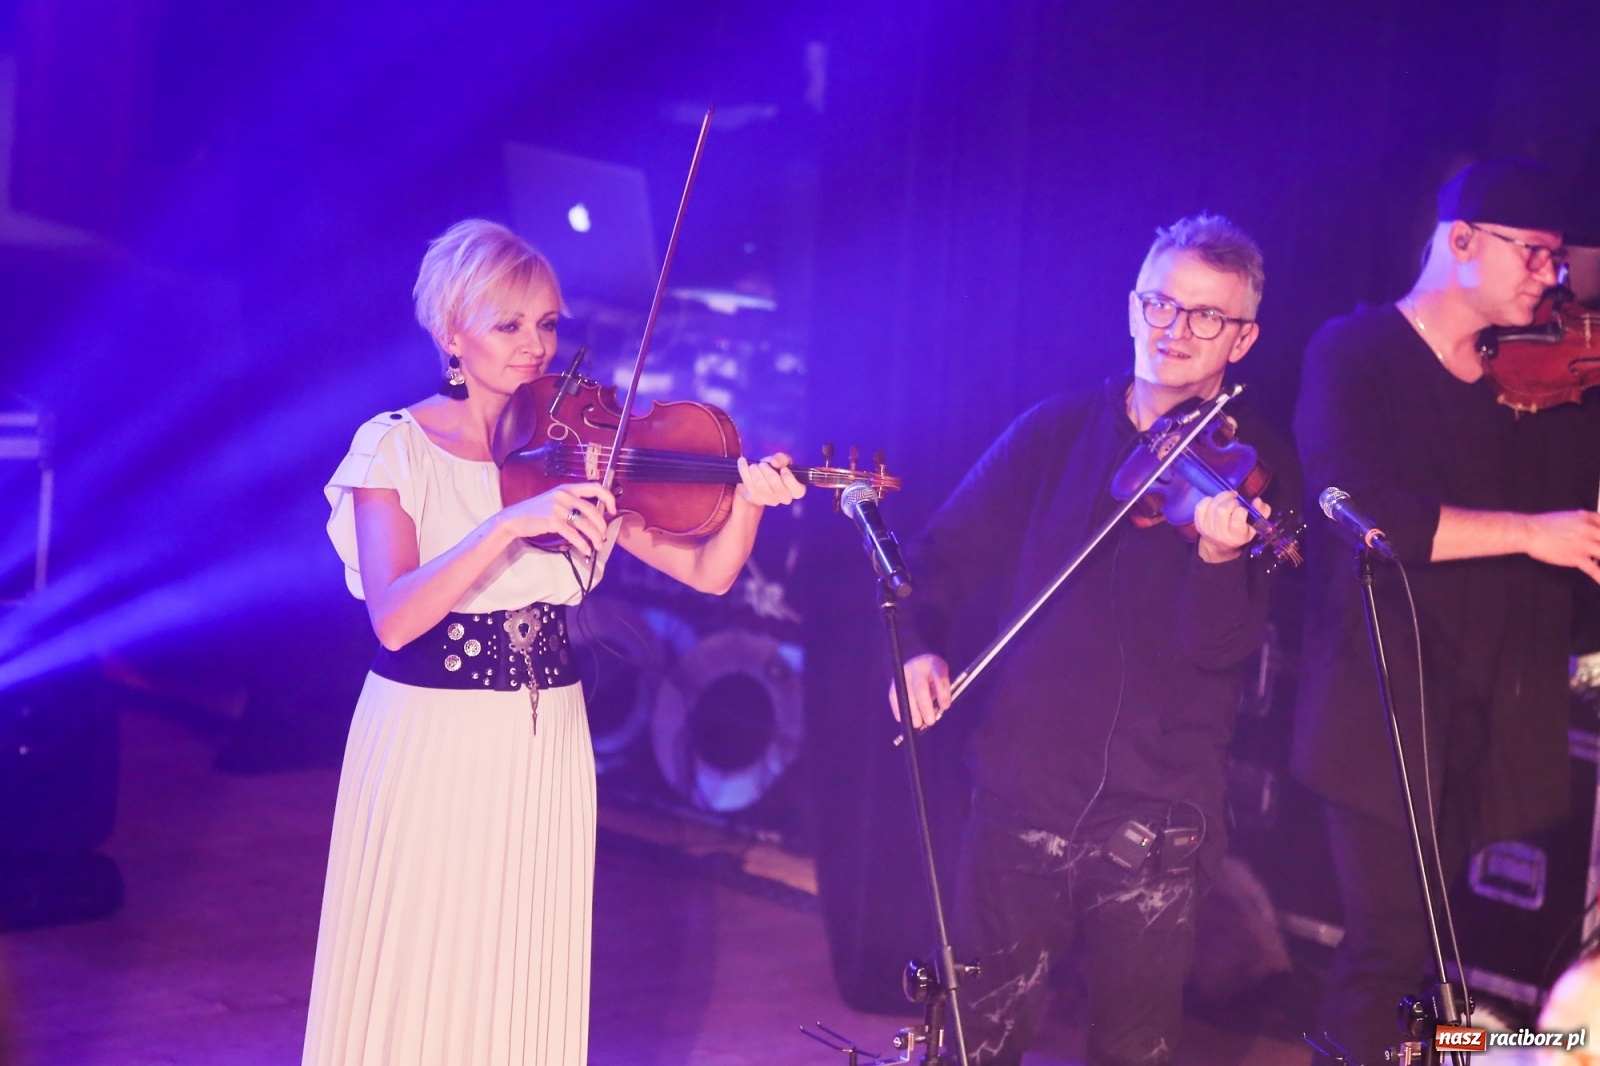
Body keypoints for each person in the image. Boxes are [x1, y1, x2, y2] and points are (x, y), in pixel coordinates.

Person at [301, 219, 804, 1065]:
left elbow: (710, 572)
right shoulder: (394, 448)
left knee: (520, 957)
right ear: (450, 331)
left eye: (546, 323)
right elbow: (394, 616)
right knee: (428, 955)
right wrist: (506, 524)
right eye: (509, 325)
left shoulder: (580, 454)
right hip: (430, 736)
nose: (535, 346)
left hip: (546, 737)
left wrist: (749, 500)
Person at [894, 214, 1298, 1066]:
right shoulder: (1054, 431)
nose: (1174, 329)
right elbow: (935, 562)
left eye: (1206, 316)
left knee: (1133, 1051)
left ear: (1243, 340)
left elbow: (1220, 650)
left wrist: (1219, 559)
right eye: (1160, 304)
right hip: (1022, 795)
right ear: (1132, 307)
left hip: (1159, 819)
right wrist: (916, 648)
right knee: (972, 1044)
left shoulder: (1253, 469)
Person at [1292, 158, 1600, 1066]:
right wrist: (1531, 533)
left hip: (1482, 712)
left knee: (1417, 956)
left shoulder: (1545, 381)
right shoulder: (1355, 354)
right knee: (1385, 946)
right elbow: (1368, 510)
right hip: (1380, 705)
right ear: (1461, 241)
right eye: (1533, 253)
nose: (1552, 277)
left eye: (1558, 258)